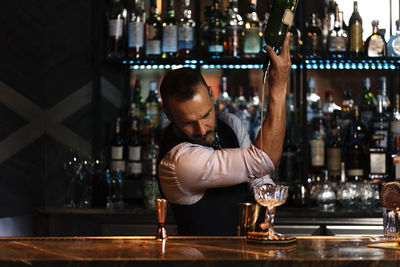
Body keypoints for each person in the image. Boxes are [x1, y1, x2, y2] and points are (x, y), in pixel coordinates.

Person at [157, 33, 292, 236]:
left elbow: (260, 179)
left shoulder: (230, 124)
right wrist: (279, 86)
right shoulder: (179, 161)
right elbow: (265, 159)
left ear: (212, 95)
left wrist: (265, 212)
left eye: (205, 115)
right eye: (188, 123)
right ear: (168, 114)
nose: (201, 129)